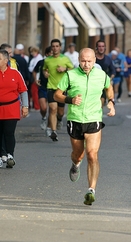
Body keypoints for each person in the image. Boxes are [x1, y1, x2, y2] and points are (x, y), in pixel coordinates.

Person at [53, 47, 115, 205]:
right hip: (75, 119)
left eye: (89, 61)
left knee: (92, 154)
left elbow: (108, 87)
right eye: (83, 61)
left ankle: (91, 190)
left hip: (94, 118)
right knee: (78, 153)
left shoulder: (101, 75)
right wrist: (70, 100)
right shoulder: (70, 75)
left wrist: (111, 102)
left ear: (94, 60)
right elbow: (57, 94)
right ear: (78, 61)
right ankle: (75, 164)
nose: (86, 64)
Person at [43, 38, 74, 141]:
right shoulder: (47, 60)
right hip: (51, 87)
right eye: (53, 46)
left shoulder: (65, 59)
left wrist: (64, 69)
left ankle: (59, 119)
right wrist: (45, 73)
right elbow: (44, 69)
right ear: (51, 48)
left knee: (60, 112)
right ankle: (53, 131)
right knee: (52, 109)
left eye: (57, 46)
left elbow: (73, 69)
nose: (55, 48)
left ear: (60, 47)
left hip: (61, 89)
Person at [33, 46, 53, 131]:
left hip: (53, 88)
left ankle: (50, 126)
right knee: (44, 108)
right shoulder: (41, 62)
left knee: (52, 109)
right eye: (51, 54)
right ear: (47, 54)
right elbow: (34, 71)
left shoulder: (58, 63)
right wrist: (35, 80)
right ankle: (44, 118)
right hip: (43, 87)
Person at [28, 46, 43, 111]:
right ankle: (36, 105)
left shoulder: (38, 58)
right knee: (34, 92)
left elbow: (34, 68)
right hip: (34, 76)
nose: (32, 53)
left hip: (36, 77)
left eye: (33, 52)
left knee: (35, 92)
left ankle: (37, 106)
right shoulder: (35, 58)